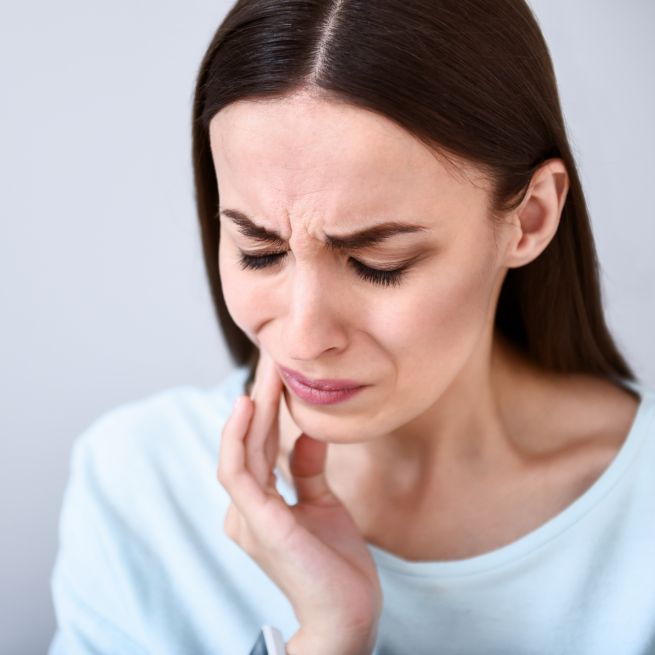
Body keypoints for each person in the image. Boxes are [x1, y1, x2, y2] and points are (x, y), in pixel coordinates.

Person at [48, 1, 655, 654]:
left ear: (529, 218)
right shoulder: (137, 485)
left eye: (376, 264)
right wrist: (331, 636)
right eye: (259, 251)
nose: (303, 338)